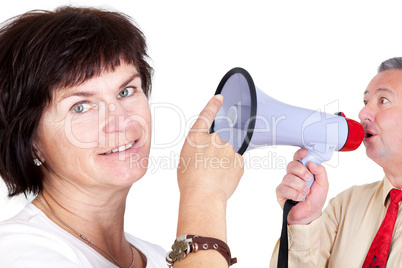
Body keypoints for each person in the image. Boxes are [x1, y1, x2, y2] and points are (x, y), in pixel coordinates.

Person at [0, 6, 243, 268]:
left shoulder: (162, 259)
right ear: (31, 142)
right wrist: (203, 195)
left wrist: (293, 238)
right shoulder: (18, 250)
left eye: (126, 91)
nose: (121, 120)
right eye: (80, 106)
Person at [270, 57, 402, 267]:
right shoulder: (346, 205)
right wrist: (302, 220)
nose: (362, 113)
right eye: (366, 102)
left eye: (383, 100)